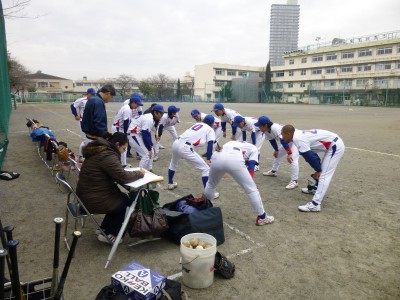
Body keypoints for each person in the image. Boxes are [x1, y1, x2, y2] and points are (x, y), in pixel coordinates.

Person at [76, 132, 145, 244]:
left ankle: (103, 228)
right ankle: (112, 234)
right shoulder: (107, 155)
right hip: (92, 199)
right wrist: (139, 173)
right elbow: (122, 177)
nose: (124, 151)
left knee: (120, 198)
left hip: (87, 194)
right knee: (126, 204)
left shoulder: (101, 150)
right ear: (117, 144)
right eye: (124, 148)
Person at [204, 141, 274, 226]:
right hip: (234, 158)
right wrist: (251, 180)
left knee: (211, 184)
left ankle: (205, 210)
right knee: (252, 190)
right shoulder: (254, 149)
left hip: (217, 155)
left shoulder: (234, 143)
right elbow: (251, 165)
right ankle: (263, 218)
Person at [281, 125, 345, 212]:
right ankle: (314, 189)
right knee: (321, 171)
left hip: (335, 146)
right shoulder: (297, 135)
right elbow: (313, 155)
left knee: (324, 175)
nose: (282, 137)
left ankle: (315, 204)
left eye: (283, 135)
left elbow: (310, 157)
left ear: (288, 134)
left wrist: (318, 170)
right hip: (331, 143)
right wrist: (318, 169)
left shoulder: (298, 139)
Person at [167, 115, 219, 199]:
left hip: (176, 142)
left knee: (173, 162)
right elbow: (210, 144)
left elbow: (211, 142)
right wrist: (208, 159)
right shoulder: (210, 129)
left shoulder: (197, 124)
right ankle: (209, 193)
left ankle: (170, 183)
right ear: (212, 123)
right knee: (206, 168)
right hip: (185, 147)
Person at [256, 116, 300, 190]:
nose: (259, 127)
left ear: (265, 125)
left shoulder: (275, 128)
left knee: (293, 159)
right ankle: (273, 171)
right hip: (287, 142)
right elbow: (272, 140)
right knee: (278, 155)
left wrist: (289, 153)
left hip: (296, 141)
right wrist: (276, 150)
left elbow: (282, 140)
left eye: (260, 126)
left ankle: (294, 181)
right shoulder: (266, 131)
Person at [128, 104, 166, 171]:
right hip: (133, 135)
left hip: (137, 134)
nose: (162, 115)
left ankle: (149, 170)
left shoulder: (151, 118)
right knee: (146, 155)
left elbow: (148, 134)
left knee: (152, 151)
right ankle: (139, 174)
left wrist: (150, 145)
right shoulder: (149, 119)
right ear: (155, 112)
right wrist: (149, 149)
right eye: (161, 113)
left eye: (163, 113)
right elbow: (145, 134)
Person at [111, 95, 143, 167]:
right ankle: (123, 165)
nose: (138, 106)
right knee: (122, 147)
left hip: (118, 127)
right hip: (118, 128)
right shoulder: (127, 109)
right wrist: (126, 135)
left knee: (120, 147)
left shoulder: (128, 108)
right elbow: (126, 122)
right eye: (137, 104)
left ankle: (121, 163)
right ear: (132, 103)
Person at [81, 84, 116, 150]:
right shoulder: (98, 102)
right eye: (111, 97)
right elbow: (99, 121)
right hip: (94, 138)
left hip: (88, 135)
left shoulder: (93, 99)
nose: (110, 99)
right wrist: (106, 136)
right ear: (108, 93)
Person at [70, 88, 96, 161]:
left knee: (89, 139)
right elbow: (72, 106)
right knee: (85, 139)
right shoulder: (81, 100)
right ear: (87, 94)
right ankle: (81, 156)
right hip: (83, 122)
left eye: (94, 94)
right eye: (91, 94)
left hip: (91, 123)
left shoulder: (95, 100)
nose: (93, 96)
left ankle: (87, 155)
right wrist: (75, 115)